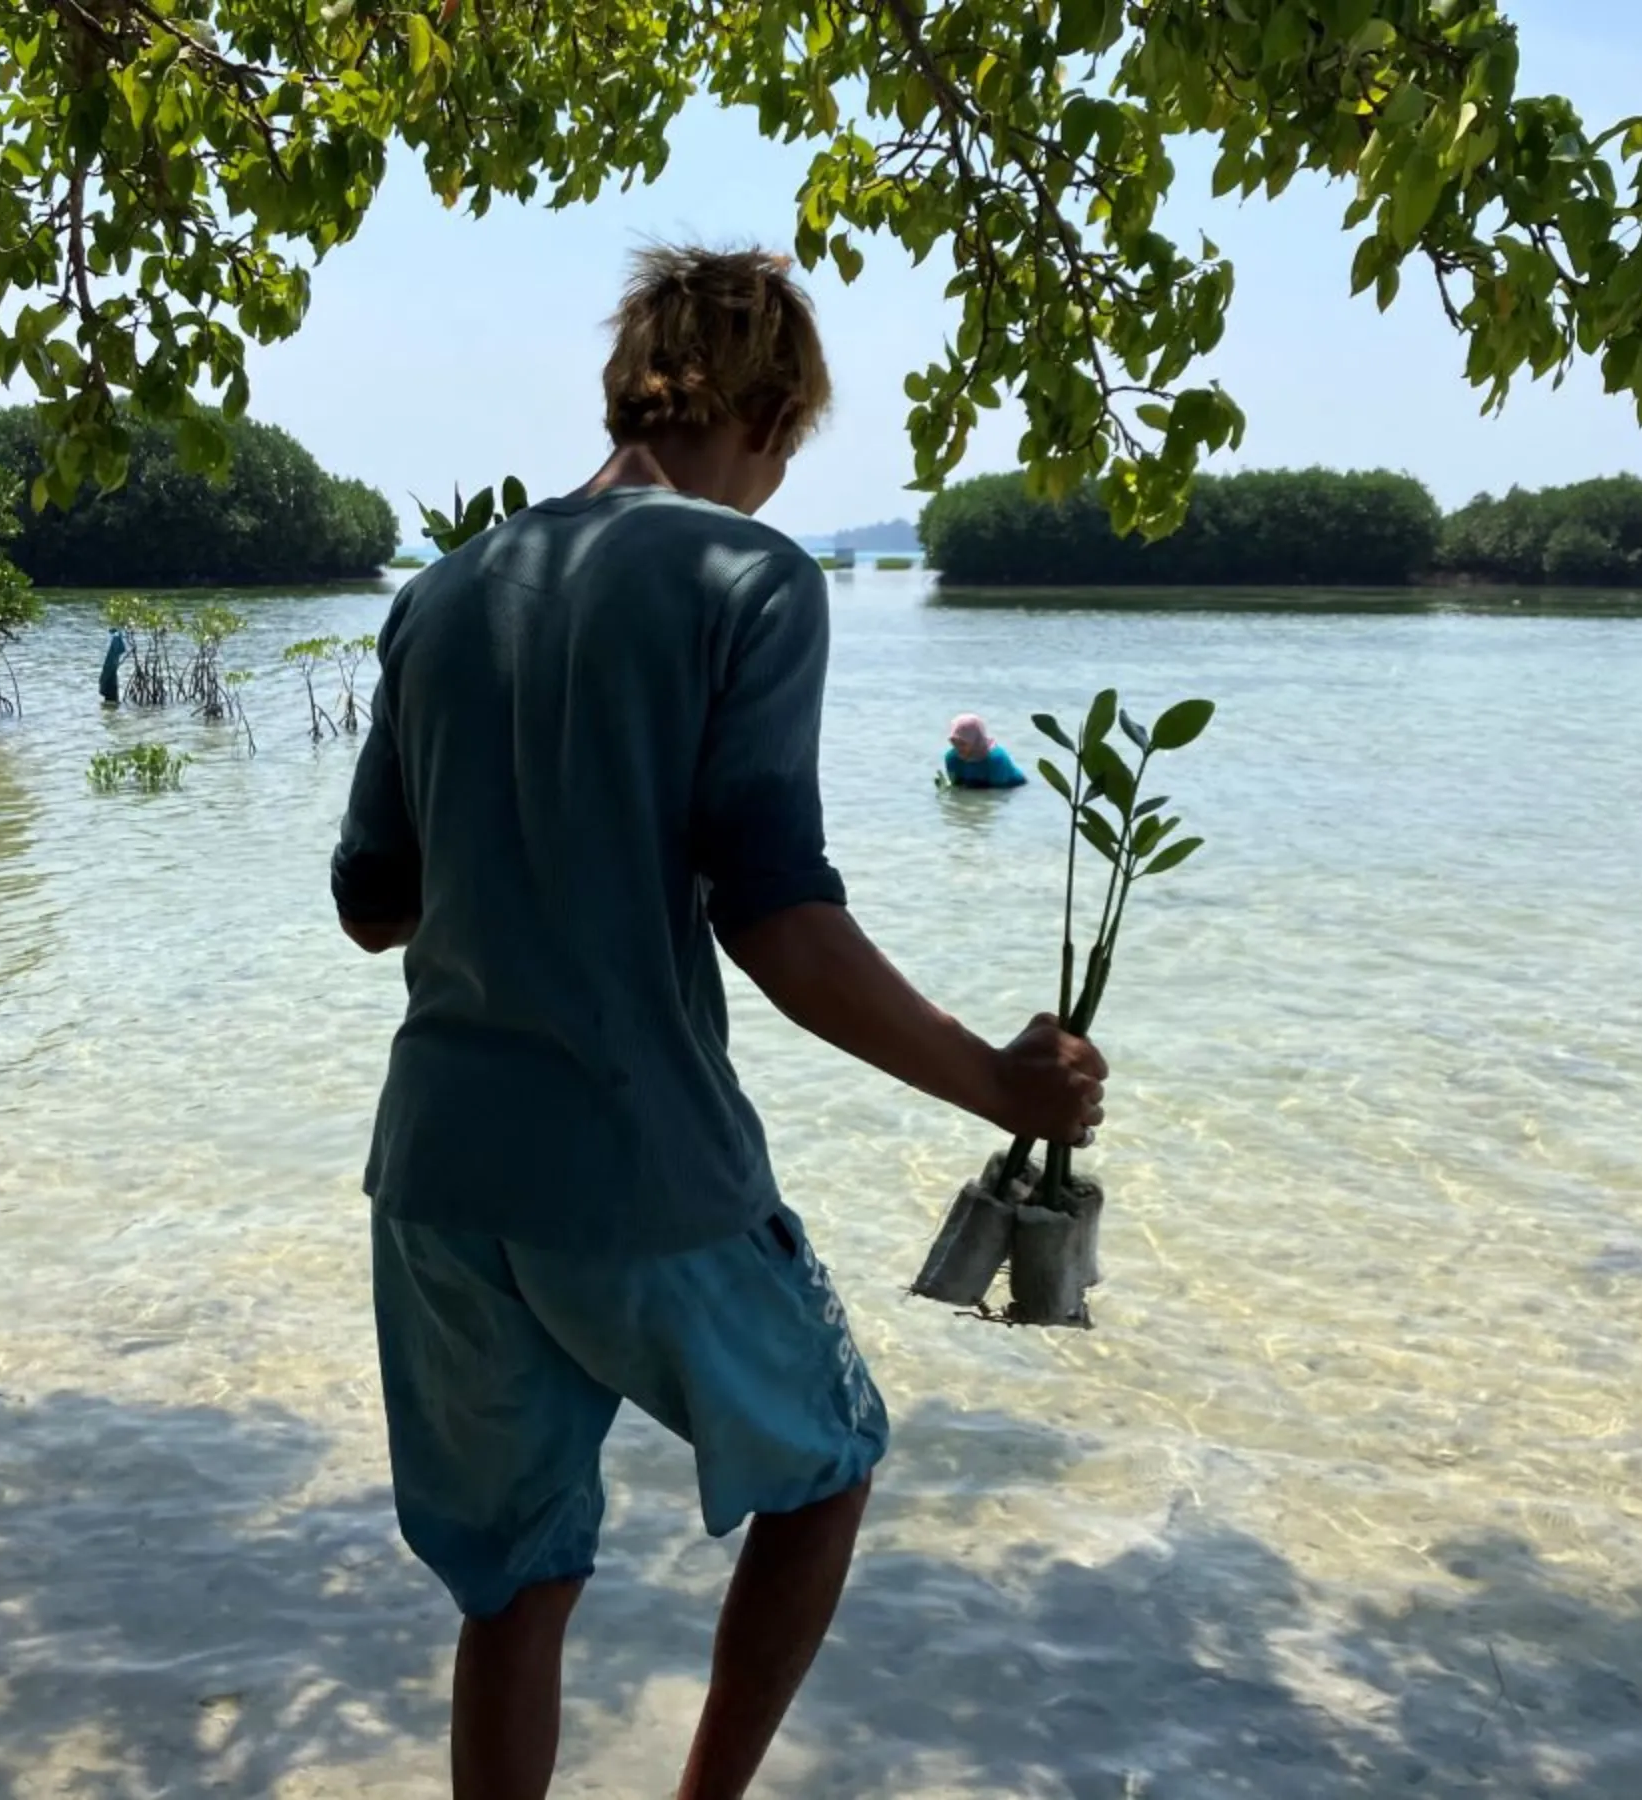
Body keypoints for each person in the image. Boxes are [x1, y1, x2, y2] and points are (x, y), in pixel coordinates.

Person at [330, 245, 1106, 1800]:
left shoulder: (443, 593)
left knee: (517, 1581)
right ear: (764, 412)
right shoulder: (750, 580)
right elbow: (779, 923)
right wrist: (998, 1087)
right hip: (636, 1163)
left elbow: (372, 904)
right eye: (788, 440)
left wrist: (536, 830)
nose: (774, 480)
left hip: (434, 1182)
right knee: (827, 1468)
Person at [940, 713, 1027, 788]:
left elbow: (998, 793)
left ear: (975, 740)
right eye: (954, 742)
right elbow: (958, 785)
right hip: (978, 785)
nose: (958, 747)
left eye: (963, 743)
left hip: (1012, 786)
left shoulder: (996, 759)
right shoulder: (952, 758)